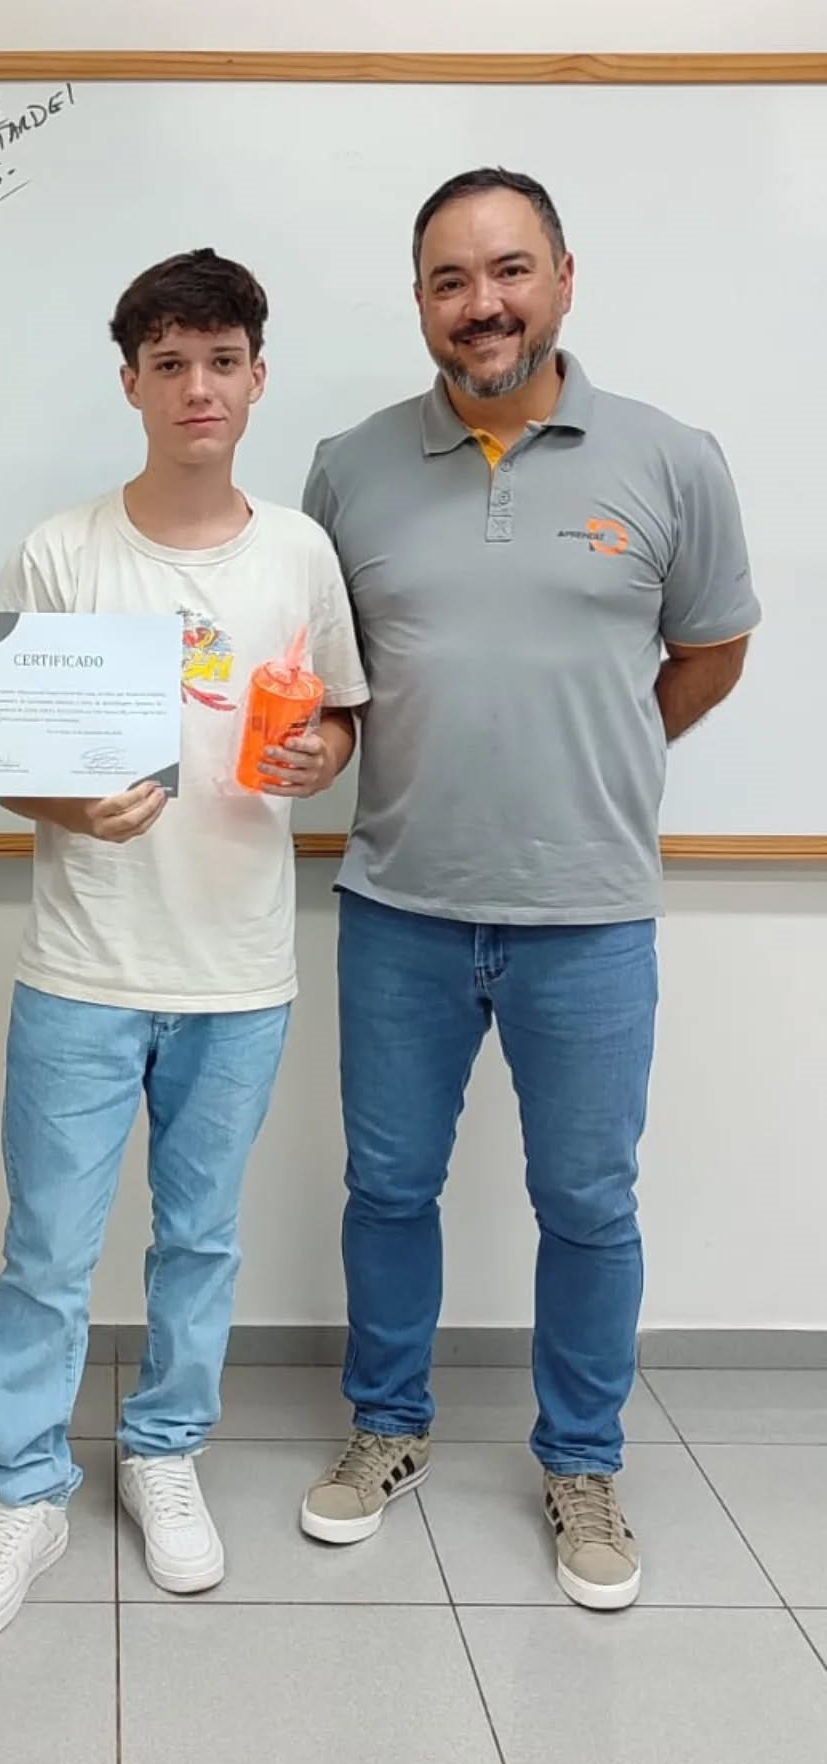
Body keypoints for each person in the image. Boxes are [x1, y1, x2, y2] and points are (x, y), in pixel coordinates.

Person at [298, 167, 759, 1610]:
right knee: (389, 1189)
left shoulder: (673, 458)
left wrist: (600, 754)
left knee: (589, 1204)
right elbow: (330, 680)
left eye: (508, 270)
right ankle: (388, 1426)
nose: (481, 303)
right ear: (420, 302)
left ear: (563, 277)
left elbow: (711, 650)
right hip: (401, 905)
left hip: (591, 916)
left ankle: (582, 1462)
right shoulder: (348, 468)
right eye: (450, 279)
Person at [0, 249, 369, 1640]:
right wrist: (67, 802)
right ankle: (24, 1489)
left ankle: (166, 1454)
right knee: (47, 1251)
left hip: (240, 970)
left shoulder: (298, 552)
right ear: (130, 382)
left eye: (221, 361)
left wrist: (324, 754)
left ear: (257, 377)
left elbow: (341, 714)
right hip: (83, 965)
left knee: (200, 1242)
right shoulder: (62, 551)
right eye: (169, 363)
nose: (197, 387)